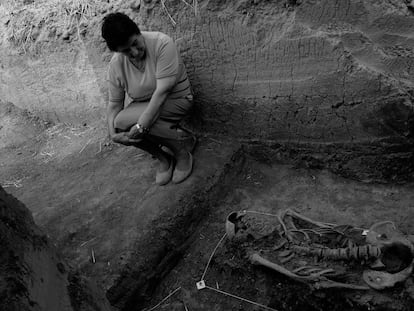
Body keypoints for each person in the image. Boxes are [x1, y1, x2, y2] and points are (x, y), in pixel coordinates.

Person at [101, 12, 196, 185]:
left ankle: (182, 152)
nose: (135, 52)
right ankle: (164, 158)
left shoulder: (162, 43)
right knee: (119, 124)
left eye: (135, 44)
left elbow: (162, 92)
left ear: (138, 32)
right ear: (117, 52)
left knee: (142, 124)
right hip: (145, 104)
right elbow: (114, 104)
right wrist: (113, 135)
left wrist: (142, 125)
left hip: (176, 99)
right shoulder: (116, 64)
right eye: (126, 51)